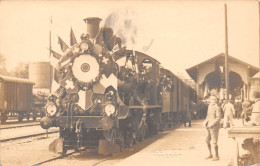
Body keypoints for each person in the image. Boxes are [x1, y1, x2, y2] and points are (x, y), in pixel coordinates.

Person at [203, 95, 221, 161]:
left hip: (214, 127)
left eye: (215, 99)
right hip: (208, 125)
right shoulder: (209, 106)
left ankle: (216, 156)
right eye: (213, 99)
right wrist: (205, 122)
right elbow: (208, 116)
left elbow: (218, 118)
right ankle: (210, 154)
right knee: (207, 140)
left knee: (214, 142)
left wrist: (212, 124)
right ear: (210, 100)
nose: (214, 101)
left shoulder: (217, 107)